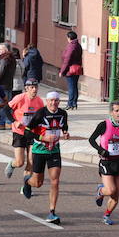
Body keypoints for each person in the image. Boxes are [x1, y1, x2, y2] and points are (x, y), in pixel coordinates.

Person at [22, 91, 69, 224]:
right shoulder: (40, 113)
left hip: (54, 150)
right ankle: (27, 181)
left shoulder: (63, 113)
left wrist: (65, 133)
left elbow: (64, 126)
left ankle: (52, 212)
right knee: (38, 183)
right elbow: (27, 132)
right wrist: (43, 137)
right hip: (39, 150)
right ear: (47, 101)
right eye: (51, 101)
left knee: (55, 181)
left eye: (56, 101)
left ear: (59, 102)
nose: (53, 103)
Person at [89, 101, 119, 225]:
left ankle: (106, 215)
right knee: (110, 190)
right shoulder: (104, 125)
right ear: (111, 112)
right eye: (116, 111)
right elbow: (91, 139)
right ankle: (100, 191)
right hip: (106, 162)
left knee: (116, 194)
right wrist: (100, 150)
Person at [4, 78, 43, 180]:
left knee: (31, 161)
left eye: (36, 87)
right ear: (26, 88)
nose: (34, 90)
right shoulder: (19, 98)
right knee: (20, 162)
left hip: (32, 133)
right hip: (19, 133)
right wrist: (14, 121)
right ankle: (12, 164)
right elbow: (6, 109)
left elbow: (41, 118)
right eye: (32, 87)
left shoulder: (39, 101)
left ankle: (26, 187)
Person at [0, 42, 16, 128]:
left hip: (2, 85)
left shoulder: (4, 60)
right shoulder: (12, 59)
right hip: (9, 84)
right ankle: (8, 122)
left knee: (2, 105)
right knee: (8, 104)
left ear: (5, 50)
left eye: (0, 49)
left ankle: (2, 123)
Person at [60, 31, 83, 110]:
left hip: (71, 70)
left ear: (69, 38)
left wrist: (62, 71)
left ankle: (70, 103)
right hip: (77, 69)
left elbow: (67, 59)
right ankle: (74, 103)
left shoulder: (71, 46)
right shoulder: (78, 45)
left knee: (71, 87)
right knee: (75, 86)